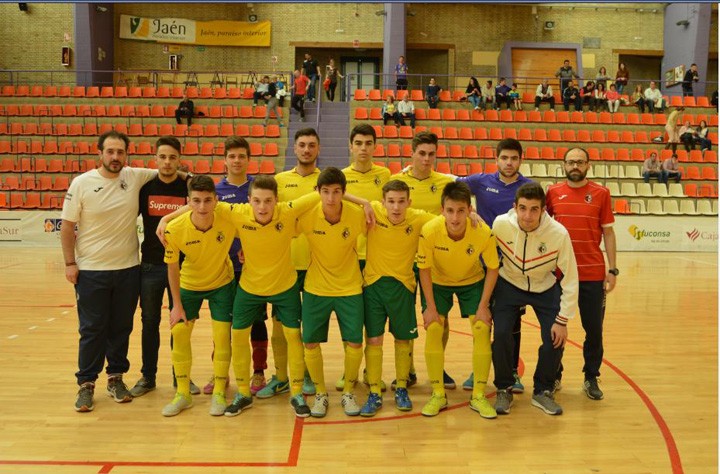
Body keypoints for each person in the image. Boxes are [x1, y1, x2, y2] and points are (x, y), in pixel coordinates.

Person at [61, 130, 158, 412]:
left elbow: (167, 170)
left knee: (121, 328)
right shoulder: (81, 183)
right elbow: (67, 227)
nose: (115, 157)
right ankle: (86, 384)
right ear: (100, 153)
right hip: (91, 271)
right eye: (110, 152)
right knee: (92, 329)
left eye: (120, 152)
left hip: (128, 269)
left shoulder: (134, 176)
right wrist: (70, 263)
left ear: (126, 154)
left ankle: (116, 378)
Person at [491, 182, 578, 416]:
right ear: (514, 207)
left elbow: (570, 279)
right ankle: (503, 387)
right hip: (508, 283)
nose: (527, 215)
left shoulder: (559, 234)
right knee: (500, 335)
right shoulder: (500, 224)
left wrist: (563, 320)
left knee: (555, 338)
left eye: (534, 209)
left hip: (545, 286)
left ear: (543, 210)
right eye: (523, 208)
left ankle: (543, 390)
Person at [417, 181, 499, 419]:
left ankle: (479, 395)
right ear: (442, 210)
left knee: (483, 328)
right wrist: (430, 308)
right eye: (450, 210)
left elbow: (493, 268)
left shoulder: (483, 232)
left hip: (472, 281)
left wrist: (483, 306)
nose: (455, 217)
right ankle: (438, 394)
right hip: (439, 281)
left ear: (470, 210)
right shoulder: (430, 230)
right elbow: (423, 269)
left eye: (461, 211)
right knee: (433, 328)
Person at [457, 138, 533, 392]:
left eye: (514, 158)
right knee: (481, 320)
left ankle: (512, 372)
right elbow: (448, 187)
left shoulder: (529, 187)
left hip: (514, 267)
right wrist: (469, 210)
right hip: (482, 264)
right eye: (504, 158)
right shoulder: (480, 182)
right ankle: (478, 370)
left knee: (512, 323)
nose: (509, 163)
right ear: (496, 159)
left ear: (521, 160)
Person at [158, 176, 237, 417]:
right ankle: (183, 393)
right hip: (189, 284)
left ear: (216, 200)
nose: (202, 207)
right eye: (196, 201)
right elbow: (172, 268)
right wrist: (176, 305)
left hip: (222, 283)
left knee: (222, 336)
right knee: (179, 332)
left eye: (207, 200)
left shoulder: (228, 215)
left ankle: (219, 392)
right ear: (188, 202)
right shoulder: (175, 228)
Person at [297, 167, 370, 418]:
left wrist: (366, 203)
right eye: (325, 192)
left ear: (343, 193)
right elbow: (278, 223)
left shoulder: (357, 215)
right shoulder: (306, 215)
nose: (330, 198)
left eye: (336, 192)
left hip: (350, 287)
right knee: (310, 341)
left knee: (354, 341)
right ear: (317, 191)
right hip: (316, 287)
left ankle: (348, 391)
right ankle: (320, 393)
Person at [546, 148, 617, 401]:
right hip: (559, 276)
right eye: (570, 162)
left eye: (579, 162)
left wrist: (612, 270)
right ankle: (554, 375)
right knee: (554, 329)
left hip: (592, 274)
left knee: (594, 330)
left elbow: (608, 233)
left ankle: (591, 376)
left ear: (588, 164)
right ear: (563, 165)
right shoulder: (552, 193)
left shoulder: (601, 193)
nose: (575, 166)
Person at [360, 180, 435, 416]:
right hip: (373, 286)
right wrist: (363, 202)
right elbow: (341, 199)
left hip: (403, 287)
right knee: (374, 340)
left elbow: (447, 220)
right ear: (382, 202)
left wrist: (472, 214)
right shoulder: (373, 210)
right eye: (391, 201)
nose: (396, 207)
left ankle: (401, 387)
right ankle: (374, 391)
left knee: (403, 340)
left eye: (401, 201)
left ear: (409, 202)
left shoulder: (418, 218)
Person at [261, 128, 322, 400]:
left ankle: (306, 373)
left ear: (318, 149)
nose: (306, 150)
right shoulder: (279, 180)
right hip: (284, 263)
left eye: (311, 145)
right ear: (294, 149)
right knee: (279, 324)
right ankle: (281, 377)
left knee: (307, 325)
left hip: (316, 264)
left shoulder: (329, 181)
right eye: (302, 145)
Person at [392, 132, 456, 389]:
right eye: (422, 153)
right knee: (403, 316)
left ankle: (437, 365)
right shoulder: (396, 181)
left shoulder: (446, 183)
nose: (427, 159)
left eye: (431, 154)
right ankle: (406, 368)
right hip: (404, 258)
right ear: (412, 153)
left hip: (437, 260)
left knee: (440, 316)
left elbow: (459, 208)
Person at [130, 136, 192, 398]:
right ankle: (148, 376)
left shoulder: (188, 185)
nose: (167, 162)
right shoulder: (145, 187)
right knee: (149, 322)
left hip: (182, 266)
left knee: (180, 323)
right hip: (151, 266)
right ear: (155, 159)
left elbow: (197, 203)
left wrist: (167, 217)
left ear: (179, 159)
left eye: (172, 157)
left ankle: (181, 379)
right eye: (162, 157)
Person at [214, 136, 269, 396]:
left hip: (253, 269)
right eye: (232, 156)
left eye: (241, 156)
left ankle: (258, 371)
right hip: (223, 270)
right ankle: (221, 375)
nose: (236, 161)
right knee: (223, 324)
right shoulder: (215, 193)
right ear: (224, 159)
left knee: (256, 321)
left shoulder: (258, 190)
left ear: (249, 159)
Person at [339, 124, 391, 392]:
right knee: (350, 317)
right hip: (347, 254)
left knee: (372, 318)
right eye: (358, 143)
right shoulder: (341, 178)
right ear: (350, 145)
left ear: (375, 146)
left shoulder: (384, 174)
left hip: (376, 257)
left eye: (368, 143)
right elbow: (324, 188)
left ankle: (373, 371)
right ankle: (349, 370)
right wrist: (363, 201)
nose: (363, 148)